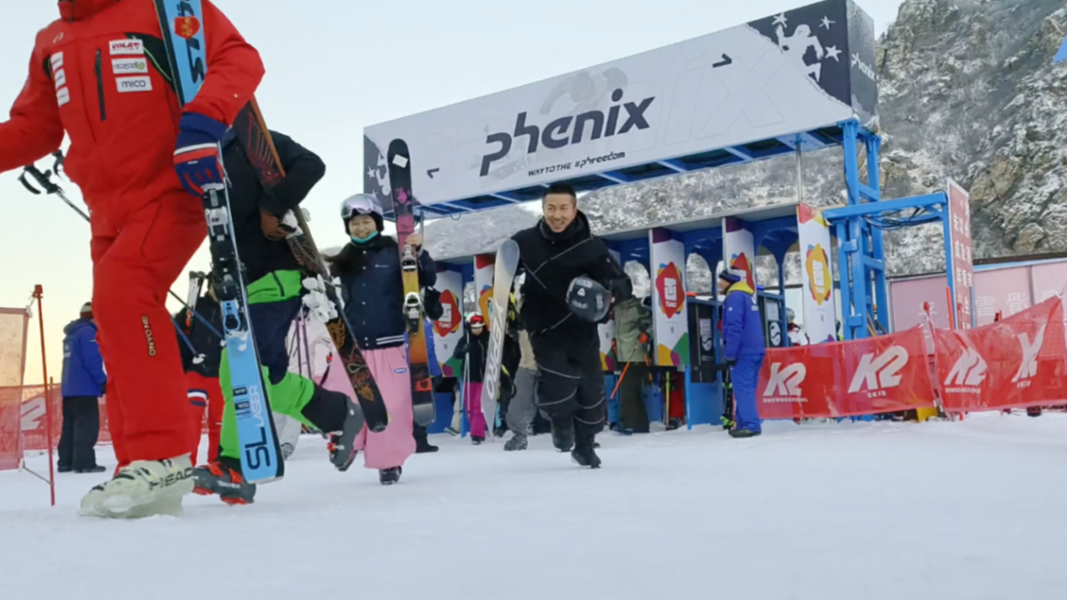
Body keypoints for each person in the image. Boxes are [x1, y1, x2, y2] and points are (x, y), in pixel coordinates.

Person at [0, 0, 264, 517]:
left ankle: (162, 455)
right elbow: (35, 128)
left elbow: (238, 58)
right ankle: (139, 467)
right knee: (117, 322)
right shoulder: (52, 39)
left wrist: (204, 120)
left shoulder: (161, 9)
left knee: (125, 293)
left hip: (172, 187)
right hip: (107, 209)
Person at [192, 130, 363, 505]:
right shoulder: (197, 155)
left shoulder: (251, 137)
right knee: (255, 375)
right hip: (238, 282)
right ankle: (339, 413)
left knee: (247, 372)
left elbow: (311, 165)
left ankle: (235, 467)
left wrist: (272, 207)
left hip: (277, 276)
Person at [510, 183, 632, 468]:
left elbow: (622, 282)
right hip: (544, 330)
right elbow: (504, 269)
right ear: (542, 210)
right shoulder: (524, 243)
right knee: (558, 384)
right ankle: (560, 422)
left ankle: (585, 445)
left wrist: (612, 291)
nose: (557, 215)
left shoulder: (592, 246)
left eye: (563, 208)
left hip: (583, 330)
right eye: (551, 208)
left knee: (591, 393)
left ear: (574, 209)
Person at [330, 193, 436, 485]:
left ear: (376, 222)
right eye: (354, 223)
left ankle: (388, 461)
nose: (360, 228)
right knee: (344, 400)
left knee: (391, 404)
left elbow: (427, 278)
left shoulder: (396, 250)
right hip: (353, 345)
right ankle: (348, 445)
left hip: (389, 343)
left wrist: (419, 252)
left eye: (366, 221)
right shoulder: (343, 258)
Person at [175, 278, 224, 465]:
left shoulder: (233, 309)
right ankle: (187, 463)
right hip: (196, 371)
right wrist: (186, 361)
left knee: (218, 421)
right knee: (191, 418)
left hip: (221, 374)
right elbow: (179, 332)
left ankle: (216, 462)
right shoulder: (197, 306)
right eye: (215, 285)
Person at [58, 302, 107, 474]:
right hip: (85, 388)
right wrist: (102, 381)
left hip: (69, 389)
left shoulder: (72, 334)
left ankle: (66, 461)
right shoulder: (88, 333)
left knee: (70, 426)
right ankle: (84, 462)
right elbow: (92, 360)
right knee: (87, 426)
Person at [718, 267, 767, 438]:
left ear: (730, 281)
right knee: (747, 388)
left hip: (743, 352)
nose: (719, 283)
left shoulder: (735, 297)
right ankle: (742, 422)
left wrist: (730, 354)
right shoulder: (748, 296)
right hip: (756, 350)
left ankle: (751, 425)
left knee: (742, 389)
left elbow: (734, 327)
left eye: (722, 280)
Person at [612, 295, 652, 433]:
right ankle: (638, 424)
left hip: (636, 353)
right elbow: (617, 329)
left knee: (629, 390)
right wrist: (613, 340)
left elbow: (651, 323)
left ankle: (629, 423)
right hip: (622, 354)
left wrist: (647, 334)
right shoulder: (617, 308)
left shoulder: (637, 308)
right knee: (629, 390)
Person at [503, 296, 539, 451]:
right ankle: (519, 434)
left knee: (557, 403)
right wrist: (512, 327)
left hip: (551, 363)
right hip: (527, 364)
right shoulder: (521, 307)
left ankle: (575, 435)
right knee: (518, 404)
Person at [452, 313, 489, 444]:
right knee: (470, 406)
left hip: (484, 377)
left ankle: (477, 434)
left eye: (480, 327)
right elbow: (456, 354)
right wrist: (464, 350)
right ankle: (476, 428)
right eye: (475, 327)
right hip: (469, 377)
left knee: (479, 405)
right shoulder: (466, 339)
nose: (477, 330)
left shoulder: (487, 338)